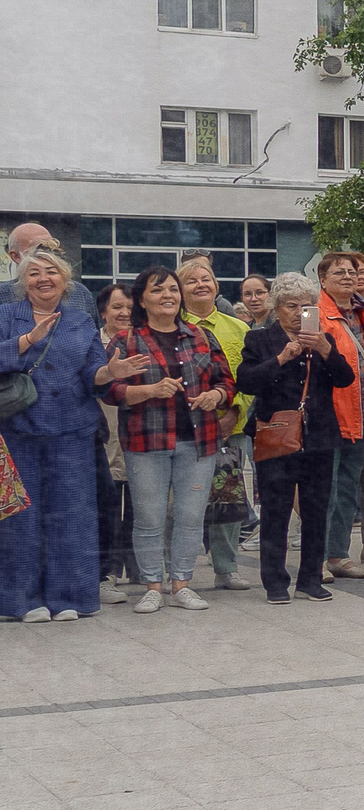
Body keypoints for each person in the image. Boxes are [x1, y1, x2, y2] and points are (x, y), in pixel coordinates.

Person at [0, 243, 124, 621]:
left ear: (64, 280)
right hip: (19, 428)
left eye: (51, 272)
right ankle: (21, 601)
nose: (43, 279)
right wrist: (27, 341)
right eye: (34, 273)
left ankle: (70, 597)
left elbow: (93, 374)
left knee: (72, 515)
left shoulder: (80, 319)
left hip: (72, 429)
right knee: (21, 517)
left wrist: (110, 373)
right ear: (23, 282)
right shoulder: (7, 314)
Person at [106, 266, 237, 614]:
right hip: (145, 443)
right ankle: (152, 585)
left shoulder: (200, 336)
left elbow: (227, 382)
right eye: (158, 290)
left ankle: (182, 583)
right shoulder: (126, 341)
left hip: (198, 441)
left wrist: (217, 397)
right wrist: (148, 390)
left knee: (190, 516)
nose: (168, 296)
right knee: (149, 518)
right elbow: (109, 390)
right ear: (142, 299)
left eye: (173, 290)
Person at [237, 274, 354, 603]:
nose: (299, 312)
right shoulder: (259, 339)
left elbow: (346, 378)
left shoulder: (323, 337)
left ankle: (311, 579)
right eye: (291, 306)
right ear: (276, 307)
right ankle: (275, 582)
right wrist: (282, 358)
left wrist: (326, 350)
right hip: (276, 435)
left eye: (307, 306)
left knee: (317, 509)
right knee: (275, 511)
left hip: (319, 435)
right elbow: (246, 381)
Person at [176, 253, 255, 592]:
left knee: (229, 501)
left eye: (205, 278)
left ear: (216, 285)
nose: (200, 285)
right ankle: (173, 571)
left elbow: (250, 380)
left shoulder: (238, 327)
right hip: (182, 430)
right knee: (178, 503)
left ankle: (226, 567)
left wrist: (235, 410)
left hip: (230, 428)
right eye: (191, 281)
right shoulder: (170, 324)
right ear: (179, 289)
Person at [312, 252, 364, 578]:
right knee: (325, 489)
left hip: (360, 415)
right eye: (339, 272)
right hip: (327, 416)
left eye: (352, 271)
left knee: (348, 488)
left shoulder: (361, 313)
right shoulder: (315, 313)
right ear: (322, 280)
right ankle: (316, 556)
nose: (347, 276)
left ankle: (338, 556)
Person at [94, 285, 138, 602]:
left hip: (138, 433)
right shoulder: (93, 344)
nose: (124, 313)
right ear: (103, 312)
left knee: (141, 507)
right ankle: (106, 572)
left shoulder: (143, 341)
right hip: (103, 431)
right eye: (117, 307)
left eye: (129, 307)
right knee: (107, 505)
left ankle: (139, 568)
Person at [4, 222, 98, 320]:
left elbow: (92, 333)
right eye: (37, 247)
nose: (45, 252)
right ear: (16, 256)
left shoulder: (80, 293)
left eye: (50, 246)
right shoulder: (3, 296)